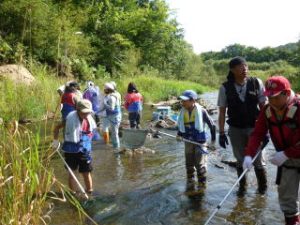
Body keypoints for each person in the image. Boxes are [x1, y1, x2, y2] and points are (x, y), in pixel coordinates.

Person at [243, 76, 300, 225]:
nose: (271, 101)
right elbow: (257, 133)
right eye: (268, 96)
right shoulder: (268, 110)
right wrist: (249, 155)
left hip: (289, 154)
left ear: (286, 93)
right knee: (287, 200)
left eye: (274, 97)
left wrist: (287, 153)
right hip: (287, 161)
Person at [217, 56, 268, 196]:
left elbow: (264, 108)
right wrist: (221, 133)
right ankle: (242, 188)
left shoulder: (256, 83)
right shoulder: (225, 87)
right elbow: (222, 112)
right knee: (240, 159)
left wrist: (267, 130)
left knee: (258, 160)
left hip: (255, 128)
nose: (244, 69)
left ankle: (262, 190)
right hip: (235, 129)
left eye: (246, 66)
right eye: (240, 66)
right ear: (232, 70)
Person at [52, 99, 96, 195]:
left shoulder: (89, 119)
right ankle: (74, 194)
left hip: (84, 150)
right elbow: (56, 128)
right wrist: (55, 142)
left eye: (88, 112)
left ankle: (89, 192)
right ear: (77, 110)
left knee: (86, 173)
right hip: (71, 151)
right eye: (83, 112)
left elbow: (91, 134)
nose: (86, 115)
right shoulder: (69, 118)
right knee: (72, 173)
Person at [177, 90, 216, 188]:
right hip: (188, 141)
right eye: (182, 100)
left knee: (200, 164)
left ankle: (202, 185)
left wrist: (213, 142)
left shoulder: (201, 111)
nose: (183, 103)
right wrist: (179, 134)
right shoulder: (182, 111)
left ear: (192, 100)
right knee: (189, 163)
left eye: (185, 101)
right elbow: (181, 125)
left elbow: (212, 125)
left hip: (200, 142)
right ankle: (190, 182)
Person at [102, 82, 122, 150]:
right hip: (117, 115)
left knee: (114, 133)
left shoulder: (111, 97)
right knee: (115, 133)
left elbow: (112, 108)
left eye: (105, 89)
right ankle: (116, 147)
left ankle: (117, 148)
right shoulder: (117, 94)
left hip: (114, 116)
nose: (104, 90)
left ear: (108, 89)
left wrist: (105, 104)